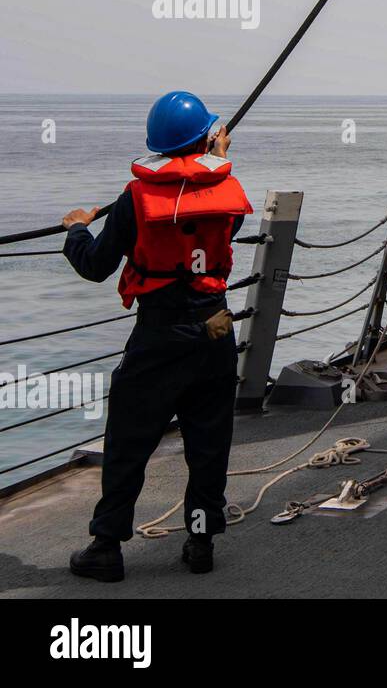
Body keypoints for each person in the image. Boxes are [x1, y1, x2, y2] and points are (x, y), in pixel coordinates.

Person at [62, 91, 252, 581]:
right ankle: (201, 540)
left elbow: (96, 267)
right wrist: (219, 154)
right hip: (214, 329)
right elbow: (209, 197)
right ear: (206, 137)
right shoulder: (229, 195)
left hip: (159, 335)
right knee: (208, 444)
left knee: (129, 441)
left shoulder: (135, 198)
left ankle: (106, 547)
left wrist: (78, 230)